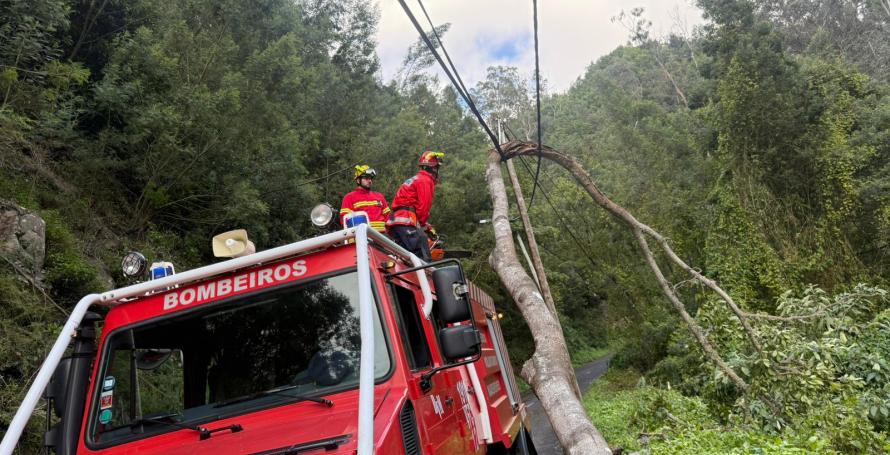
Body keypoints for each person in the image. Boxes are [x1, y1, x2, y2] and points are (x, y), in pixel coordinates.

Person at [386, 151, 444, 261]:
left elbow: (408, 205)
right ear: (433, 168)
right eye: (437, 167)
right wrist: (421, 226)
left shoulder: (416, 179)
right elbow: (423, 208)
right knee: (422, 256)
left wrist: (425, 225)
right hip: (406, 222)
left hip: (397, 223)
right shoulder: (425, 181)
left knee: (406, 259)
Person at [340, 165, 389, 232]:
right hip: (362, 238)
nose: (369, 181)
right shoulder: (349, 197)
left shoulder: (379, 196)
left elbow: (388, 218)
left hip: (382, 238)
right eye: (366, 178)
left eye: (371, 178)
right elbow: (345, 221)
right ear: (358, 180)